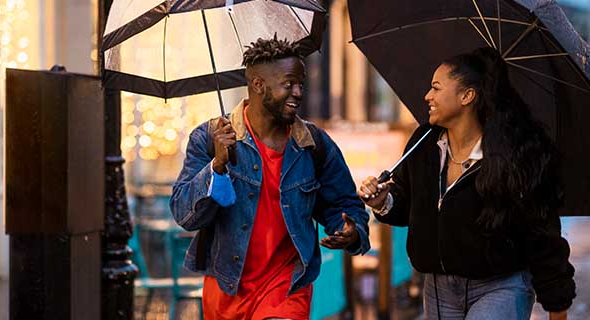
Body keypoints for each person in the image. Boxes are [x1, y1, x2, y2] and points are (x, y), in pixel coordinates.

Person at [359, 47, 575, 320]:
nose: (428, 96)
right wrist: (384, 202)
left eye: (436, 88)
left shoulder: (515, 155)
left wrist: (557, 305)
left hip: (501, 287)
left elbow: (542, 234)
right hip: (438, 289)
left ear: (467, 96)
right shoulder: (424, 142)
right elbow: (408, 205)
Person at [170, 36, 371, 320]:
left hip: (286, 287)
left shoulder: (314, 144)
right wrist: (217, 166)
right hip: (226, 286)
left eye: (301, 84)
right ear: (258, 85)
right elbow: (184, 214)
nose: (298, 92)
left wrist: (350, 230)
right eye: (289, 84)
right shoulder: (208, 138)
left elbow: (346, 204)